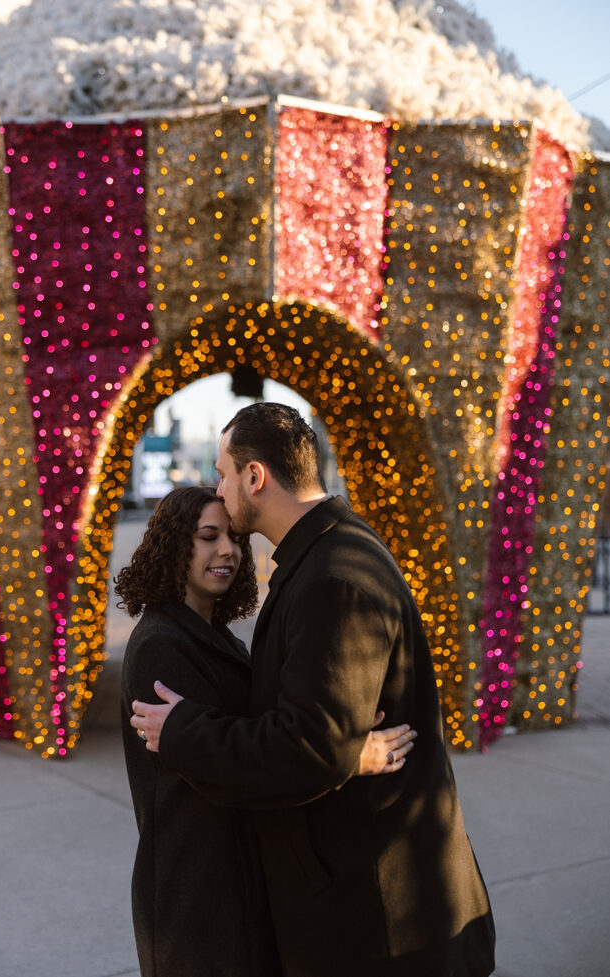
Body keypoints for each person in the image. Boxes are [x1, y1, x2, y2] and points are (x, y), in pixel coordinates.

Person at [131, 404, 496, 977]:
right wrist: (347, 749)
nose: (220, 490)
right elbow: (318, 739)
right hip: (345, 903)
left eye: (224, 475)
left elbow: (310, 746)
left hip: (378, 920)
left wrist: (185, 732)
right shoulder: (327, 556)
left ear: (255, 477)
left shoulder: (331, 577)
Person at [117, 484, 416, 977]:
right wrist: (344, 755)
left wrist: (326, 730)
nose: (228, 551)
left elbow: (251, 730)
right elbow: (222, 767)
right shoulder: (160, 645)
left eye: (234, 538)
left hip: (238, 876)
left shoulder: (210, 634)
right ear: (173, 546)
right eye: (208, 537)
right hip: (198, 895)